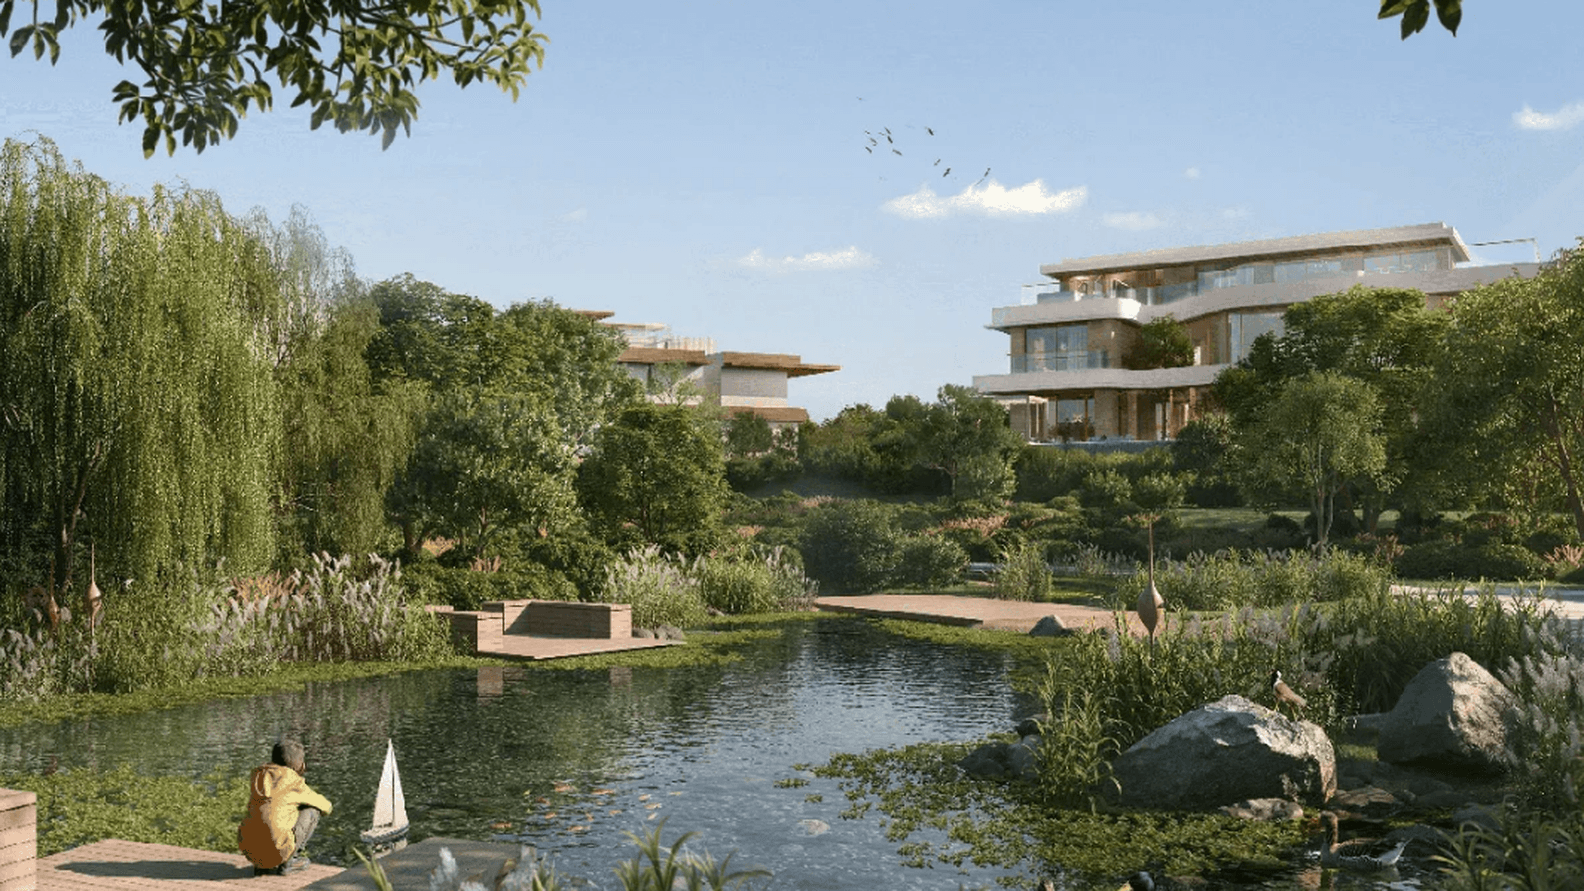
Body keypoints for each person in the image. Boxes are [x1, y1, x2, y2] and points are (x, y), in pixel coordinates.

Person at [238, 739, 333, 876]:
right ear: (299, 764)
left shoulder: (258, 776)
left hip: (249, 850)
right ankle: (289, 862)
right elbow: (327, 807)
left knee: (267, 811)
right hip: (278, 849)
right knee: (313, 811)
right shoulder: (293, 781)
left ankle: (262, 864)